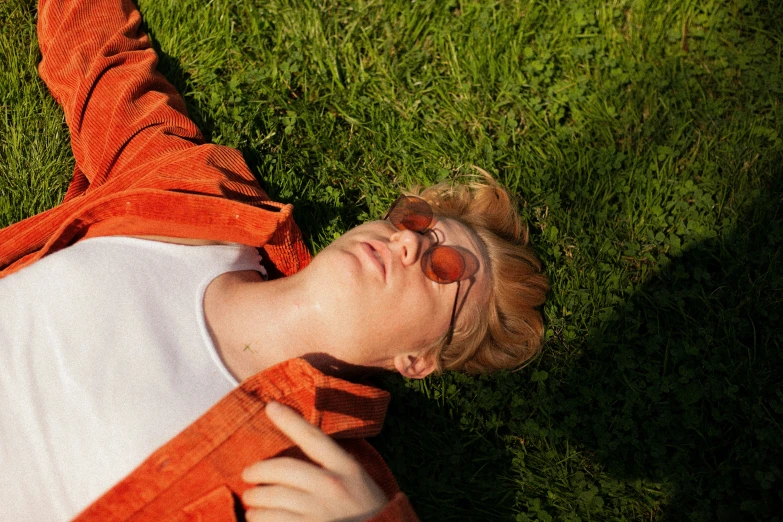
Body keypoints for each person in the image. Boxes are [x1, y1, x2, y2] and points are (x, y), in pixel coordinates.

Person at [0, 0, 549, 520]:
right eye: (416, 223)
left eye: (443, 270)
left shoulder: (319, 474)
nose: (409, 244)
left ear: (417, 360)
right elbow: (103, 68)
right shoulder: (202, 194)